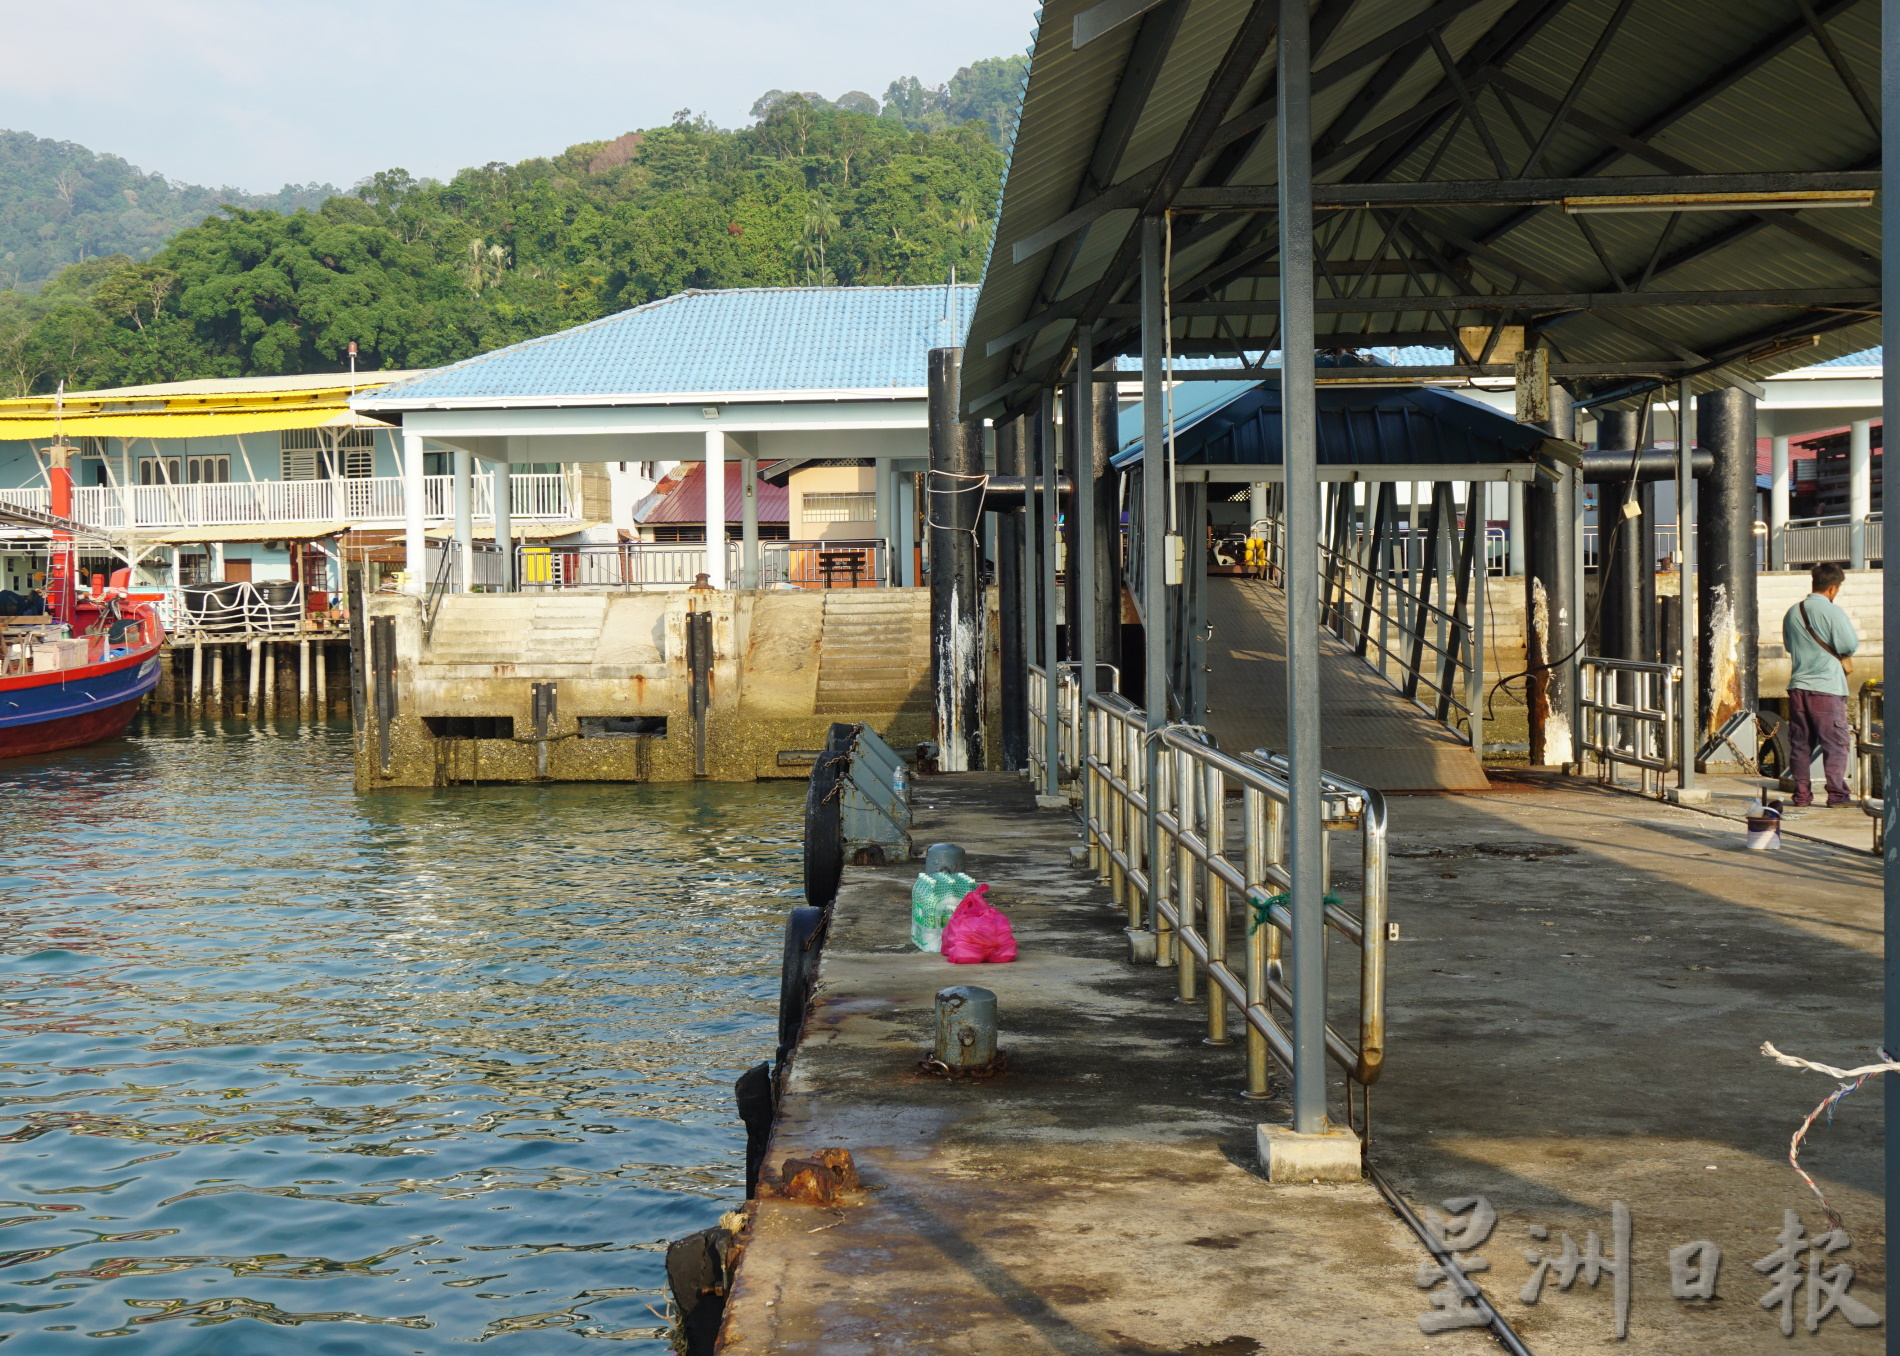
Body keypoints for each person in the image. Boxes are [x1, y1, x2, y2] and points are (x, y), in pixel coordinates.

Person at [1782, 561, 1860, 808]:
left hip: (1798, 687)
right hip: (1826, 688)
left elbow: (1788, 647)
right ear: (1833, 588)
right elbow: (1848, 646)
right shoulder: (1833, 612)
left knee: (1800, 744)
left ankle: (1802, 796)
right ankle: (1837, 795)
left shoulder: (1794, 612)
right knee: (1836, 743)